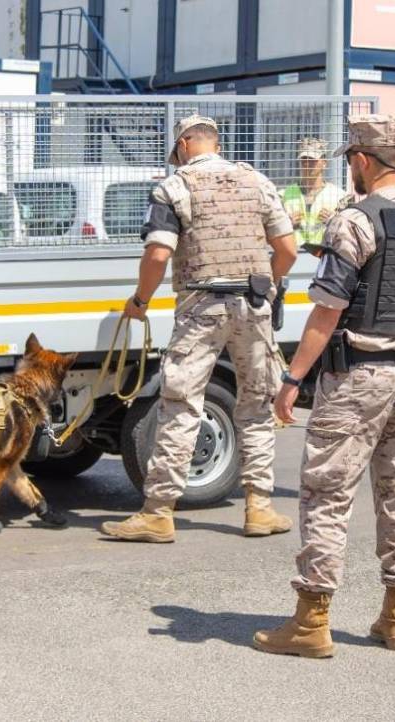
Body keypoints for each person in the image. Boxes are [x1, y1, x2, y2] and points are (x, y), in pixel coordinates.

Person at [253, 114, 395, 658]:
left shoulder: (354, 222)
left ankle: (312, 623)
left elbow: (325, 314)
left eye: (349, 160)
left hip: (356, 376)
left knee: (325, 494)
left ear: (362, 161)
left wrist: (292, 379)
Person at [100, 115, 298, 543]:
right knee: (256, 406)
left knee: (182, 404)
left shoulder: (174, 187)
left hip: (201, 307)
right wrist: (270, 285)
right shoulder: (257, 182)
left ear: (186, 144)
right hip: (253, 305)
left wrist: (140, 302)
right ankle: (259, 508)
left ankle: (158, 513)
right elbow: (287, 249)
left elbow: (157, 255)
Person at [280, 137, 344, 254]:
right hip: (294, 256)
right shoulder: (283, 196)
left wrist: (334, 221)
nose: (307, 164)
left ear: (324, 163)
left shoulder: (339, 196)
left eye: (313, 160)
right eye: (304, 159)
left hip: (326, 255)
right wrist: (285, 224)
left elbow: (347, 234)